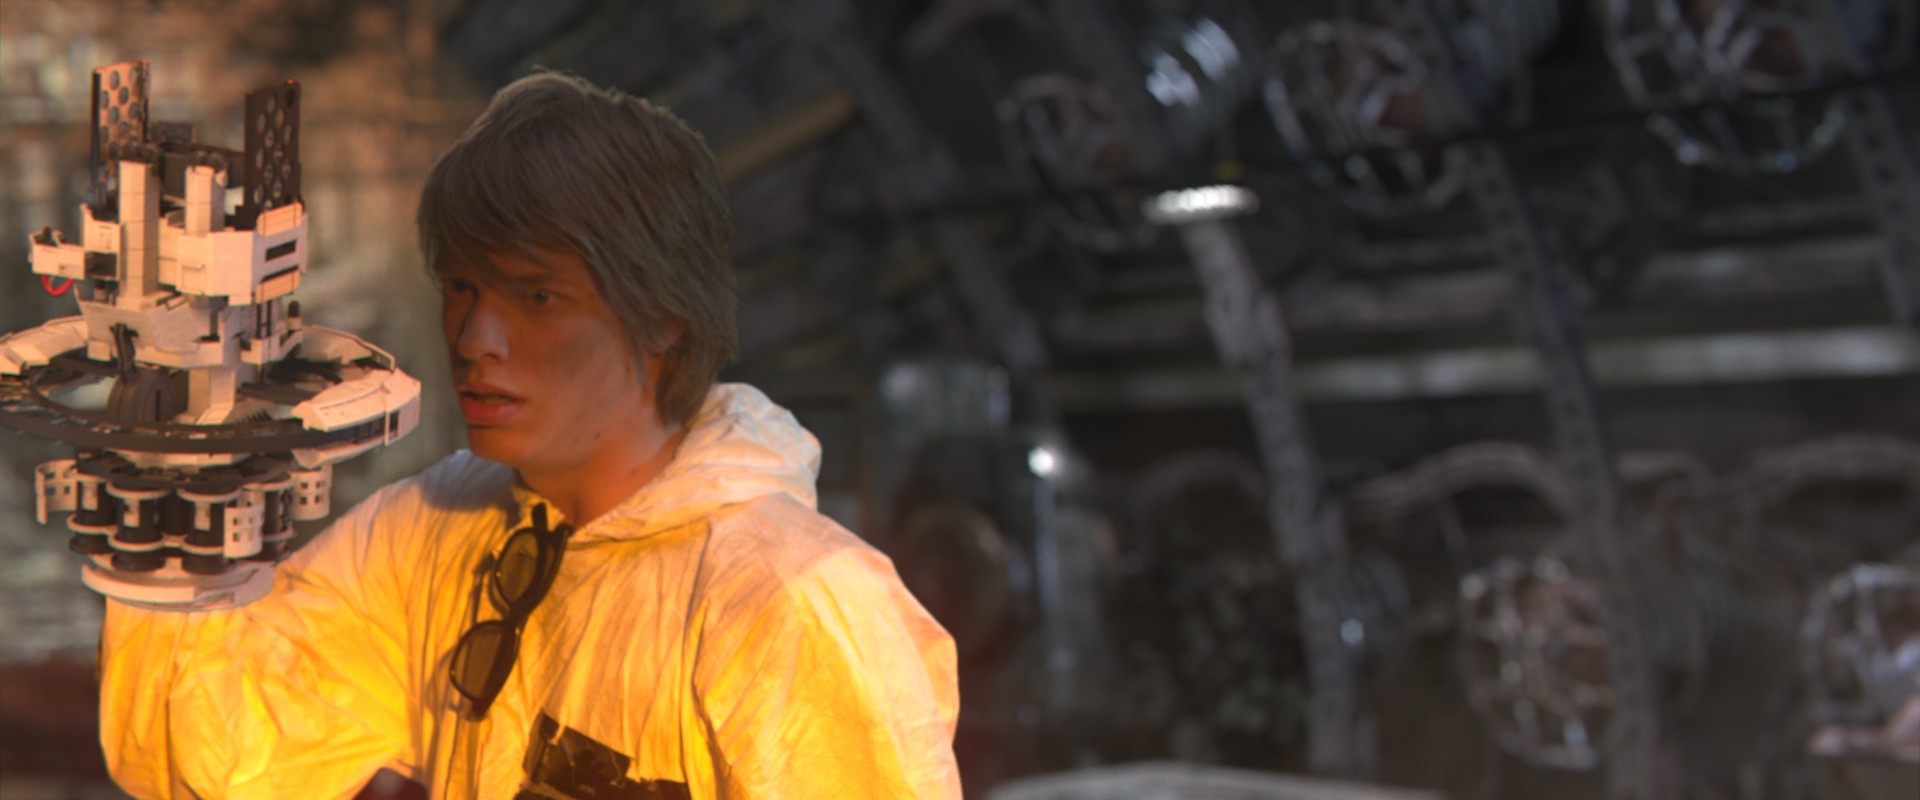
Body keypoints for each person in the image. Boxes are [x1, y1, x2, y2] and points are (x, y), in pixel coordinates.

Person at [97, 70, 962, 799]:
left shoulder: (787, 597)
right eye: (461, 287)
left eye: (536, 296)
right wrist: (174, 465)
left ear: (663, 317)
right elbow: (212, 755)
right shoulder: (433, 535)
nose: (476, 339)